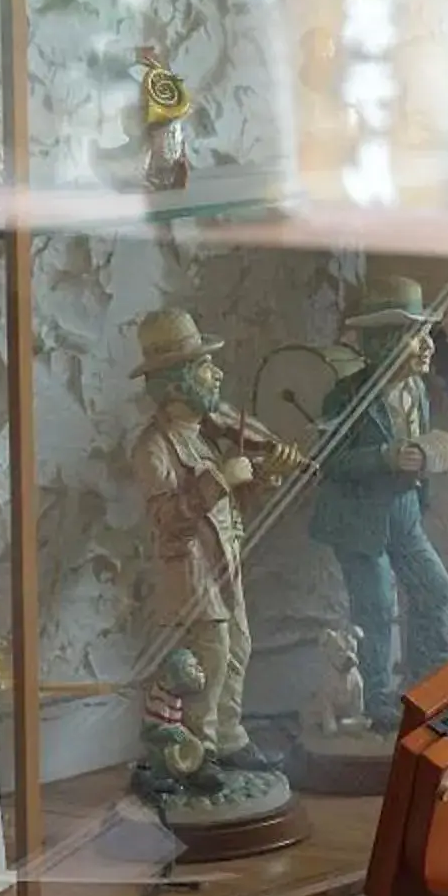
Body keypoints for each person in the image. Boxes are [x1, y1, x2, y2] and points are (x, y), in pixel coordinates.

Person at [128, 307, 292, 772]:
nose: (216, 374)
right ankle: (196, 755)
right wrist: (220, 479)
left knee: (239, 646)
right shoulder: (153, 447)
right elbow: (168, 518)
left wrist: (261, 481)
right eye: (204, 367)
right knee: (209, 661)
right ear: (177, 383)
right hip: (191, 572)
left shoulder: (202, 436)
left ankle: (230, 736)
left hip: (224, 560)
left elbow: (228, 503)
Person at [308, 277, 448, 730]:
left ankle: (429, 684)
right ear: (386, 341)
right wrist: (385, 456)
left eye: (426, 334)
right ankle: (377, 702)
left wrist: (430, 458)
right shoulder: (347, 396)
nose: (427, 346)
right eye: (416, 336)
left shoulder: (417, 392)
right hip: (360, 519)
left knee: (434, 588)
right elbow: (328, 460)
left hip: (405, 514)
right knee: (374, 606)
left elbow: (419, 444)